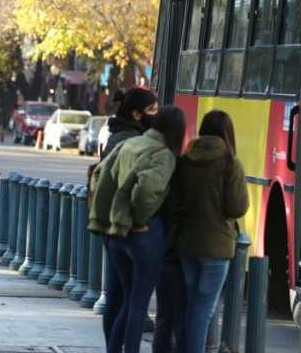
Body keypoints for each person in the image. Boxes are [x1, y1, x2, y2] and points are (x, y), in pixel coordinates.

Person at [90, 107, 185, 353]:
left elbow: (100, 173)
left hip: (116, 232)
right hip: (143, 235)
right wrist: (139, 219)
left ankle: (114, 349)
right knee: (138, 304)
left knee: (127, 300)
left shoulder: (130, 144)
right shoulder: (163, 154)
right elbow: (145, 190)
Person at [171, 110, 248, 353]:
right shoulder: (230, 163)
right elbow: (237, 206)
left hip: (187, 243)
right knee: (204, 308)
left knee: (193, 304)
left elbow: (175, 200)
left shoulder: (186, 159)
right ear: (228, 133)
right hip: (216, 247)